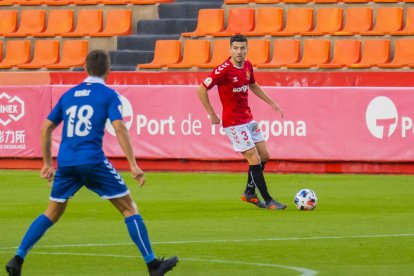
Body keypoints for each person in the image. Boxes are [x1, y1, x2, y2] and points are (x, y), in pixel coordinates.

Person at [5, 50, 178, 276]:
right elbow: (119, 127)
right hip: (92, 161)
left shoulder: (68, 95)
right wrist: (133, 164)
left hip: (66, 163)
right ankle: (153, 265)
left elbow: (46, 127)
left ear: (84, 68)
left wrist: (47, 163)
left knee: (51, 213)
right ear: (109, 71)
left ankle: (17, 258)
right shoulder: (108, 95)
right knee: (128, 208)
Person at [197, 34, 287, 210]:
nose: (239, 51)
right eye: (235, 48)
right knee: (253, 158)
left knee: (264, 156)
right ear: (230, 49)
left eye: (242, 48)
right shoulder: (223, 70)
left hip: (248, 118)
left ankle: (249, 192)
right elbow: (201, 89)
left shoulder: (247, 65)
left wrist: (272, 103)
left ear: (247, 49)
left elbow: (253, 85)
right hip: (233, 123)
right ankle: (268, 200)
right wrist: (212, 114)